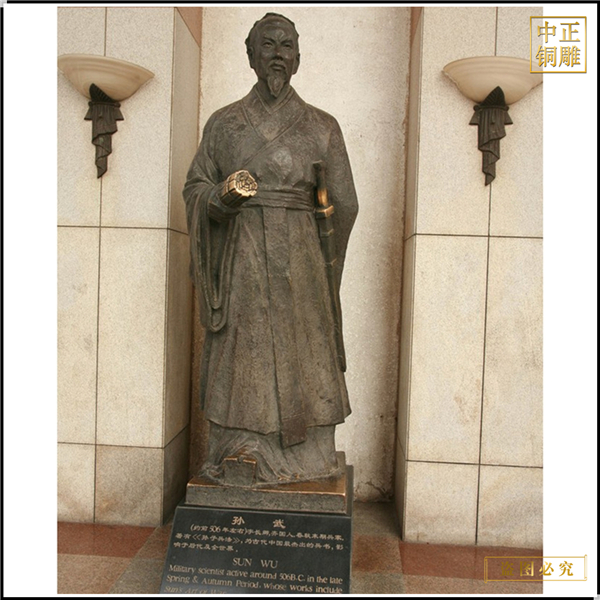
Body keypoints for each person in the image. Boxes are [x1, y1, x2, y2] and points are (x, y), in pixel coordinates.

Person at [183, 13, 358, 486]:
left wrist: (323, 264)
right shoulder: (224, 124)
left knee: (306, 344)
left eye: (286, 46)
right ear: (250, 55)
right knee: (243, 348)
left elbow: (344, 203)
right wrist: (218, 200)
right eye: (268, 45)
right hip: (242, 256)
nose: (278, 54)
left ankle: (308, 451)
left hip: (302, 260)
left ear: (298, 59)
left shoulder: (322, 126)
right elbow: (195, 187)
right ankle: (239, 448)